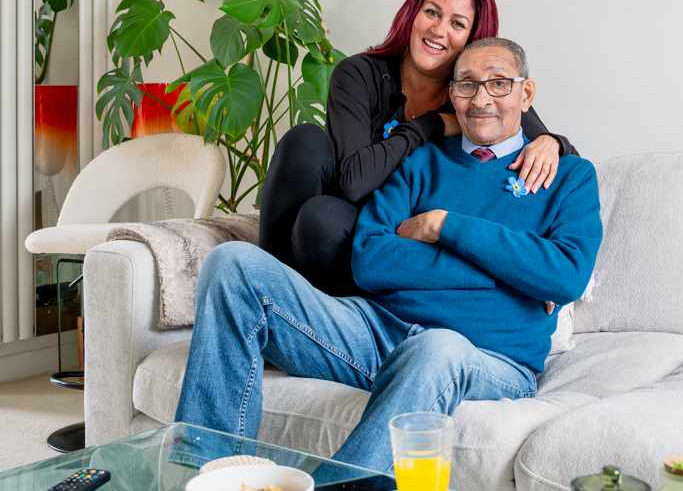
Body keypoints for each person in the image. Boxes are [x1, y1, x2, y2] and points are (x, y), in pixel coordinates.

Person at [173, 37, 602, 477]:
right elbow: (370, 259)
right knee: (233, 265)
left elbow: (565, 276)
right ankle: (203, 472)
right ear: (451, 95)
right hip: (378, 333)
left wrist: (443, 226)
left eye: (498, 84)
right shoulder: (421, 165)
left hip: (487, 358)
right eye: (467, 86)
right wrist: (503, 274)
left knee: (437, 346)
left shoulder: (570, 176)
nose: (481, 99)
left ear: (525, 94)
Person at [258, 0, 578, 296]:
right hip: (348, 218)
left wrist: (550, 142)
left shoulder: (476, 95)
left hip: (400, 239)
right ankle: (259, 287)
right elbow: (353, 183)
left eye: (457, 23)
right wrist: (432, 124)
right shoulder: (359, 74)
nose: (439, 30)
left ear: (473, 39)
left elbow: (564, 156)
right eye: (432, 12)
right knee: (304, 143)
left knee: (319, 222)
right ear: (413, 15)